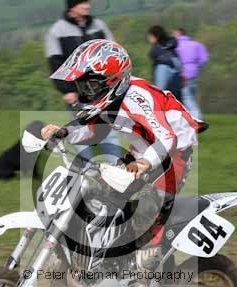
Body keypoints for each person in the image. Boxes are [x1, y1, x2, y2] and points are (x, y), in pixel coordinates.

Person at [41, 39, 206, 250]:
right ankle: (109, 250)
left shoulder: (138, 98)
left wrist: (145, 163)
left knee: (149, 207)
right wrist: (62, 133)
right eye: (82, 86)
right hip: (142, 149)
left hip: (174, 153)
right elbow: (93, 131)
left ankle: (152, 256)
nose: (85, 93)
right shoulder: (110, 101)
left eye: (90, 86)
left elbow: (167, 138)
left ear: (113, 81)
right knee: (101, 191)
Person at [45, 0, 121, 161]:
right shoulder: (57, 31)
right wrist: (66, 90)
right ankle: (87, 171)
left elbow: (114, 52)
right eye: (83, 3)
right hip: (76, 92)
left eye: (87, 2)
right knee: (80, 133)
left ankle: (116, 169)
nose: (87, 6)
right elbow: (55, 64)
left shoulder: (99, 25)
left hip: (102, 90)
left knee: (108, 131)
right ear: (72, 7)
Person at [173, 28, 209, 120]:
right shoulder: (196, 44)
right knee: (192, 97)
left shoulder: (176, 46)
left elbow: (174, 60)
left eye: (174, 34)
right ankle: (189, 118)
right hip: (194, 73)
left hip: (183, 74)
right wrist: (196, 66)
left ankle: (198, 118)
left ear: (178, 34)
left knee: (187, 97)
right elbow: (204, 58)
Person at [147, 25, 182, 98]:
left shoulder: (156, 49)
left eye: (150, 36)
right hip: (176, 70)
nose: (149, 38)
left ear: (155, 36)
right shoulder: (170, 43)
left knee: (159, 93)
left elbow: (152, 54)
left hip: (162, 67)